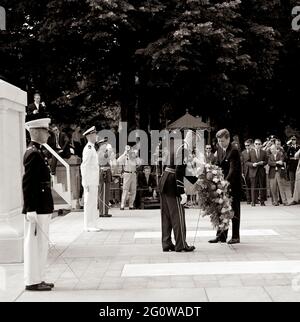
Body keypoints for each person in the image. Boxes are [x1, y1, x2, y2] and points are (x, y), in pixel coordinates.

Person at [22, 118, 54, 291]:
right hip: (37, 206)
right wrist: (30, 208)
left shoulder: (38, 151)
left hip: (43, 204)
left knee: (41, 245)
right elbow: (28, 183)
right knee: (35, 245)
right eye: (45, 130)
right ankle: (32, 280)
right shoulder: (33, 153)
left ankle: (40, 277)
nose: (48, 133)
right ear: (35, 132)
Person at [159, 131, 196, 252]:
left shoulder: (176, 145)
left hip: (165, 179)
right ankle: (181, 244)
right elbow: (179, 171)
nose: (196, 143)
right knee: (178, 216)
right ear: (192, 137)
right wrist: (182, 192)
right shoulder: (184, 149)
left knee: (166, 215)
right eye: (196, 140)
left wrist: (197, 179)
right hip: (172, 183)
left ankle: (166, 242)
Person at [208, 129, 242, 244]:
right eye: (218, 141)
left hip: (233, 185)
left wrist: (224, 183)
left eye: (222, 141)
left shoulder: (234, 150)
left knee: (234, 211)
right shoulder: (219, 149)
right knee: (221, 210)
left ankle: (236, 236)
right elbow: (218, 164)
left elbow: (233, 170)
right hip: (222, 185)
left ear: (228, 138)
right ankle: (221, 236)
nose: (220, 143)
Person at [80, 126, 101, 232]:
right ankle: (87, 225)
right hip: (89, 181)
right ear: (90, 136)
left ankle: (93, 224)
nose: (96, 136)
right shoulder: (88, 148)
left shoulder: (92, 147)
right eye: (94, 134)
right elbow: (84, 166)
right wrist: (85, 182)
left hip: (93, 180)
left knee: (93, 203)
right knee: (89, 203)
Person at [117, 144, 140, 210]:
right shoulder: (125, 156)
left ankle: (131, 205)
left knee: (133, 190)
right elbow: (118, 160)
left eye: (131, 149)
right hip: (127, 173)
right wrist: (125, 153)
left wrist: (136, 156)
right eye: (129, 149)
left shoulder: (134, 156)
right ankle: (122, 205)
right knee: (125, 190)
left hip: (133, 174)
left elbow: (139, 163)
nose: (130, 150)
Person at [246, 139, 268, 206]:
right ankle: (253, 201)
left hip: (261, 171)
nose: (257, 145)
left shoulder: (264, 152)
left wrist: (263, 162)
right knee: (253, 187)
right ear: (254, 144)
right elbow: (247, 162)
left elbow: (266, 161)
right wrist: (252, 164)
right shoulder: (250, 152)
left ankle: (262, 201)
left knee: (262, 186)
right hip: (253, 171)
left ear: (261, 145)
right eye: (256, 144)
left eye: (259, 144)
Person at [97, 138, 114, 217]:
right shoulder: (100, 152)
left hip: (106, 172)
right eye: (105, 144)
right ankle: (102, 212)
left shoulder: (104, 151)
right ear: (101, 145)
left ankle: (105, 211)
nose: (106, 145)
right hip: (103, 173)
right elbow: (106, 156)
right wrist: (110, 150)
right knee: (103, 193)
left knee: (106, 193)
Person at [241, 139, 253, 204]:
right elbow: (242, 163)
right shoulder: (243, 153)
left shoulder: (253, 151)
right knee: (247, 185)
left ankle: (254, 199)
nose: (247, 147)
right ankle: (248, 199)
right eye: (245, 145)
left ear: (250, 145)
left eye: (248, 145)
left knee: (253, 185)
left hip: (252, 170)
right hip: (246, 171)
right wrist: (242, 172)